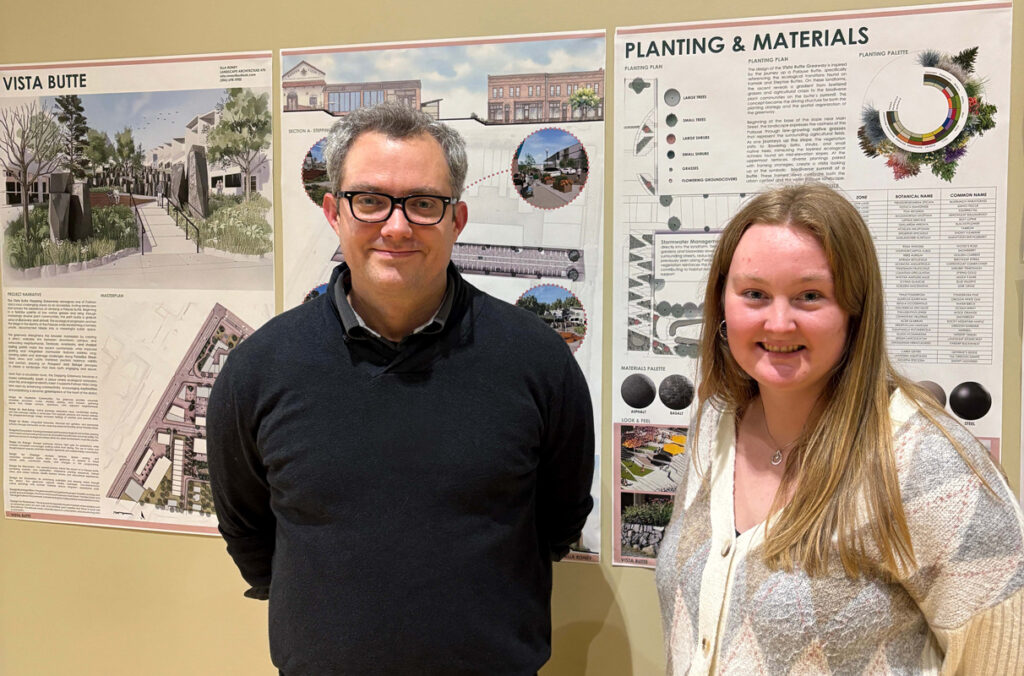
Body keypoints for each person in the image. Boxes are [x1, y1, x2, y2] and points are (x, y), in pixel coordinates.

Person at [207, 101, 594, 675]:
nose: (396, 226)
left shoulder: (537, 360)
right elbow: (250, 534)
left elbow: (558, 523)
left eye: (422, 204)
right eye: (370, 201)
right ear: (334, 212)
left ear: (456, 219)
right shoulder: (259, 370)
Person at [656, 184, 1024, 674]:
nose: (779, 322)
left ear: (855, 309)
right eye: (754, 294)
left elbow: (1004, 656)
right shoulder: (713, 425)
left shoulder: (927, 463)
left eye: (810, 296)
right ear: (722, 303)